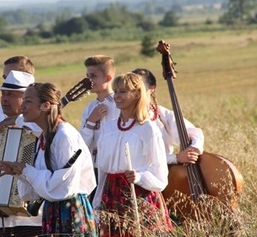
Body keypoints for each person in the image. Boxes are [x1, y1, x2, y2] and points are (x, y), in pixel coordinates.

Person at [0, 83, 98, 236]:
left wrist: (25, 169)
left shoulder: (64, 136)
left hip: (69, 210)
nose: (22, 106)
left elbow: (63, 186)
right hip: (54, 209)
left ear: (45, 105)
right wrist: (19, 172)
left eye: (28, 101)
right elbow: (45, 182)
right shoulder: (45, 134)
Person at [93, 72, 173, 236]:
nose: (117, 96)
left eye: (123, 91)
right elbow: (102, 169)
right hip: (111, 194)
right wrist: (98, 199)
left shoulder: (148, 129)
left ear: (137, 94)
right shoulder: (108, 127)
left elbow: (160, 171)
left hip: (139, 194)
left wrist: (139, 177)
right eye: (116, 91)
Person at [0, 70, 42, 237]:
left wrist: (17, 120)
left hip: (33, 222)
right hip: (3, 222)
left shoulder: (39, 128)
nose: (4, 99)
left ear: (26, 99)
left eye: (11, 95)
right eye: (3, 94)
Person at [132, 68, 204, 164]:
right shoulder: (120, 117)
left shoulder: (162, 114)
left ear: (152, 89)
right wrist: (175, 158)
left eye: (140, 89)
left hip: (164, 171)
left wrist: (193, 149)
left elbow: (195, 133)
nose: (135, 93)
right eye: (131, 89)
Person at [79, 55, 120, 202]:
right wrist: (90, 121)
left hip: (115, 169)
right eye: (87, 76)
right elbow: (82, 144)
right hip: (94, 168)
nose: (88, 81)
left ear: (108, 78)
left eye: (93, 76)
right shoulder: (90, 108)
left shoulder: (119, 105)